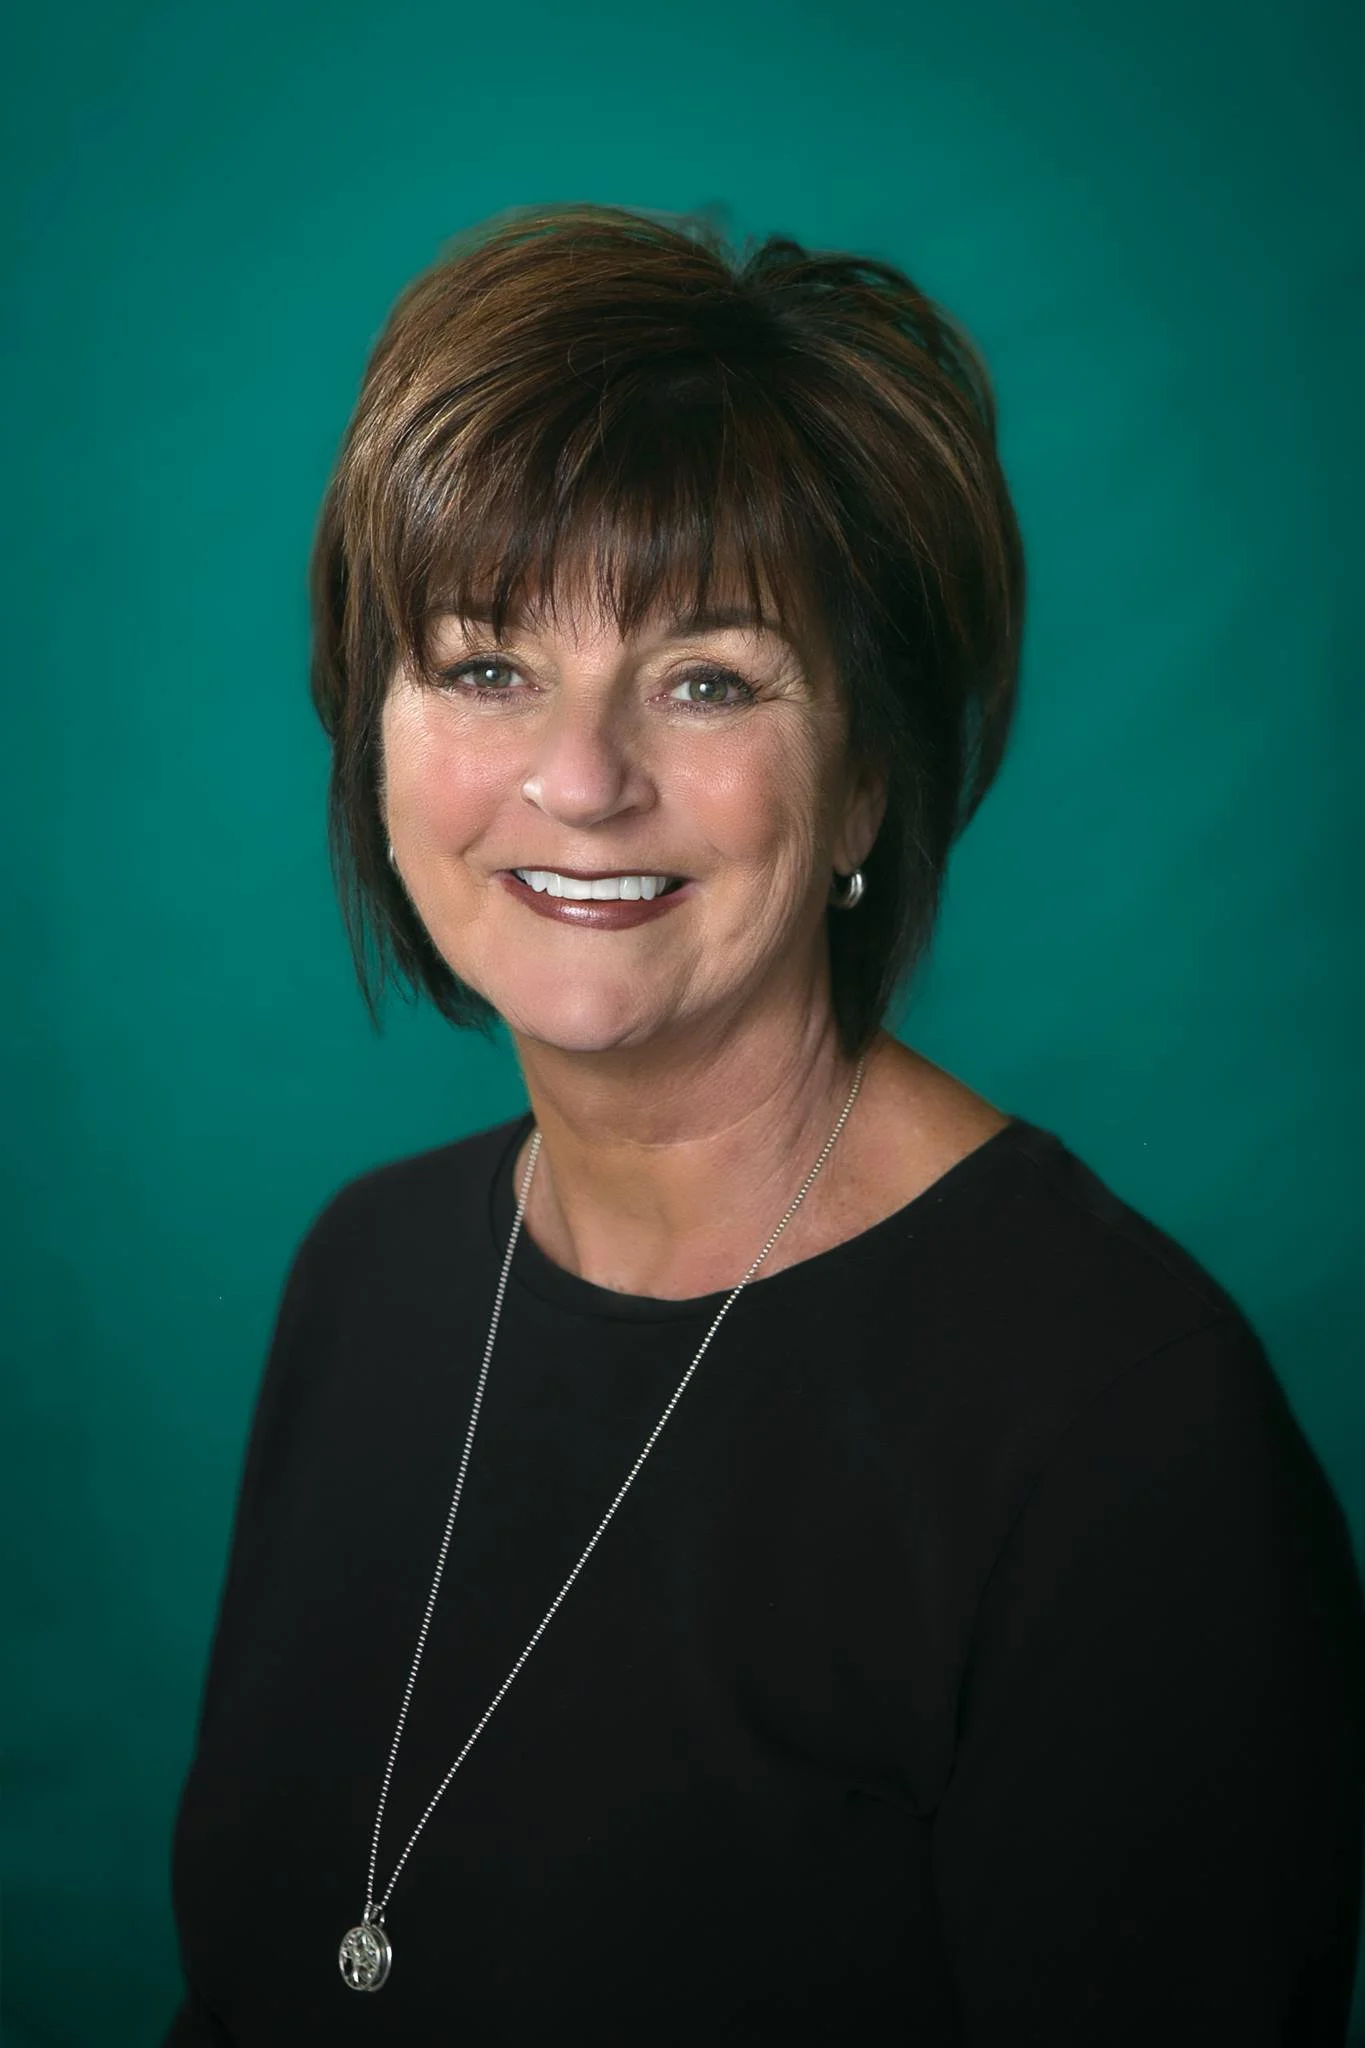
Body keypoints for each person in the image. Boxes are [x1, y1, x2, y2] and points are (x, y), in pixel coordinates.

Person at [164, 202, 1365, 2046]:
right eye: (486, 664)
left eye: (708, 679)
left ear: (870, 769)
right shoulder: (367, 1277)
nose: (581, 781)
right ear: (373, 729)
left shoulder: (1125, 1432)